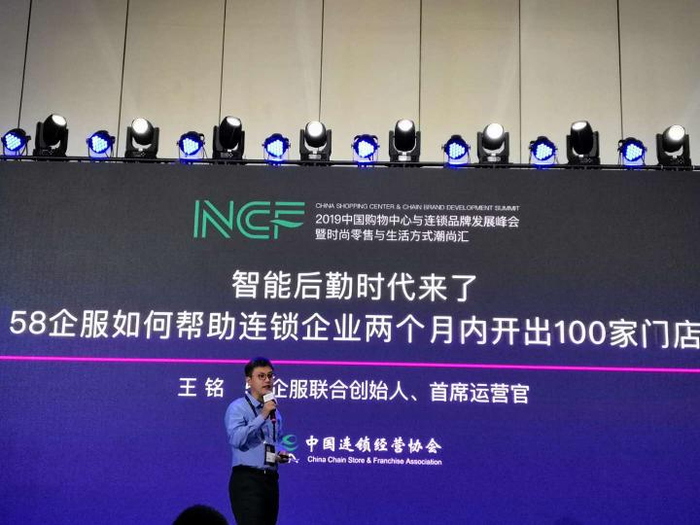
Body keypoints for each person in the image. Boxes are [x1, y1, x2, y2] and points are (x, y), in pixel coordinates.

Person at [225, 357, 290, 525]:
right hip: (247, 480)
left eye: (270, 375)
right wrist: (263, 415)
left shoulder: (274, 411)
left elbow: (276, 440)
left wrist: (280, 452)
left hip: (271, 481)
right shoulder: (238, 407)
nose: (267, 380)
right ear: (249, 380)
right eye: (261, 376)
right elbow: (236, 439)